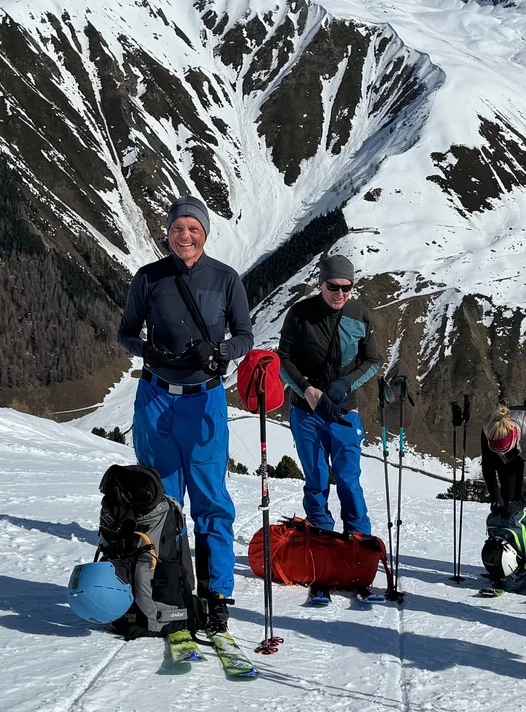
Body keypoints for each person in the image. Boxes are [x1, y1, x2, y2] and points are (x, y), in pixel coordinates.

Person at [115, 196, 254, 631]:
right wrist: (145, 348)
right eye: (178, 228)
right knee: (159, 502)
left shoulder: (226, 279)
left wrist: (222, 350)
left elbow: (245, 335)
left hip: (204, 399)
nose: (185, 235)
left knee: (211, 500)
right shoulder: (148, 278)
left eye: (193, 228)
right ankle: (164, 590)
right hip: (156, 399)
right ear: (168, 233)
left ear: (205, 233)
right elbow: (125, 333)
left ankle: (215, 594)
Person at [277, 254, 380, 537]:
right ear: (321, 283)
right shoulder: (300, 314)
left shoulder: (360, 314)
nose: (340, 293)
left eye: (347, 287)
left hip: (344, 410)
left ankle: (358, 539)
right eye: (333, 286)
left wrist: (345, 384)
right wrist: (306, 390)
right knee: (316, 478)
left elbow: (373, 361)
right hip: (305, 410)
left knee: (348, 478)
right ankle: (320, 537)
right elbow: (282, 359)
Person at [479, 403, 526, 515]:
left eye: (505, 449)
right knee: (508, 499)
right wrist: (495, 496)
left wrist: (522, 503)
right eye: (497, 450)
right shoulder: (489, 429)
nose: (501, 453)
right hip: (516, 444)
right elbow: (487, 466)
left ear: (514, 435)